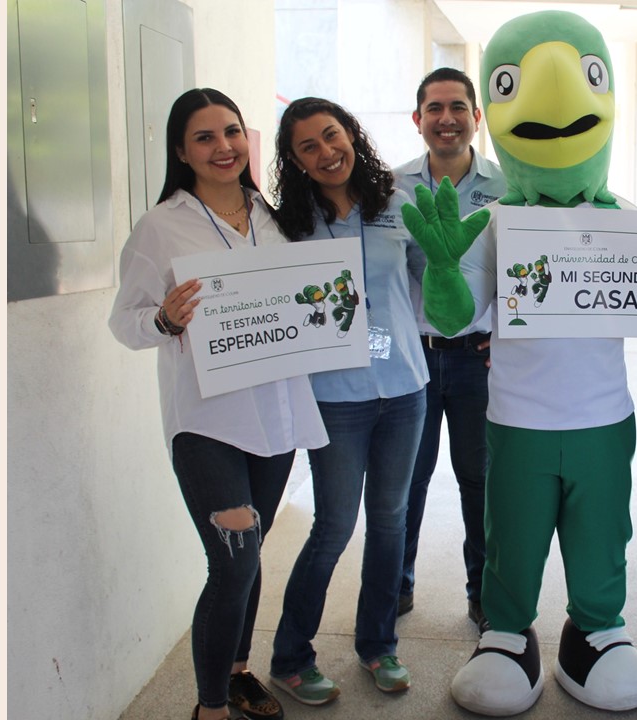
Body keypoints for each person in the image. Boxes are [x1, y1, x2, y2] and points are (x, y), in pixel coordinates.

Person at [401, 11, 637, 716]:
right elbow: (453, 318)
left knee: (602, 535)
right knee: (511, 537)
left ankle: (597, 630)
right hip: (517, 418)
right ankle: (508, 632)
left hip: (604, 417)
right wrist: (445, 270)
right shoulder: (496, 221)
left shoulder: (631, 220)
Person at [108, 88, 324, 720]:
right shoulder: (161, 226)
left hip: (276, 414)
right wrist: (165, 320)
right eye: (204, 137)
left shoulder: (273, 219)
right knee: (232, 562)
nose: (223, 147)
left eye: (231, 132)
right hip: (207, 420)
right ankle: (209, 707)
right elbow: (124, 322)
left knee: (250, 558)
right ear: (181, 151)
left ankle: (236, 673)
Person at [268, 97, 427, 705]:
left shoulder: (398, 204)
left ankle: (378, 645)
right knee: (334, 525)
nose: (326, 152)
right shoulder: (287, 225)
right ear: (295, 160)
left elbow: (432, 278)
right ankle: (290, 657)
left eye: (332, 136)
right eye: (307, 146)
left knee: (389, 522)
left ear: (351, 135)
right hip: (335, 397)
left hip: (404, 388)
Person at [391, 67, 507, 629]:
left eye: (458, 107)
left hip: (476, 358)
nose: (447, 119)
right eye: (434, 108)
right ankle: (395, 587)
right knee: (406, 480)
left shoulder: (507, 188)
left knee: (480, 482)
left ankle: (481, 593)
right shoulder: (390, 188)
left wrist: (503, 335)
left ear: (476, 117)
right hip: (411, 357)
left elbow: (521, 272)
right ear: (418, 119)